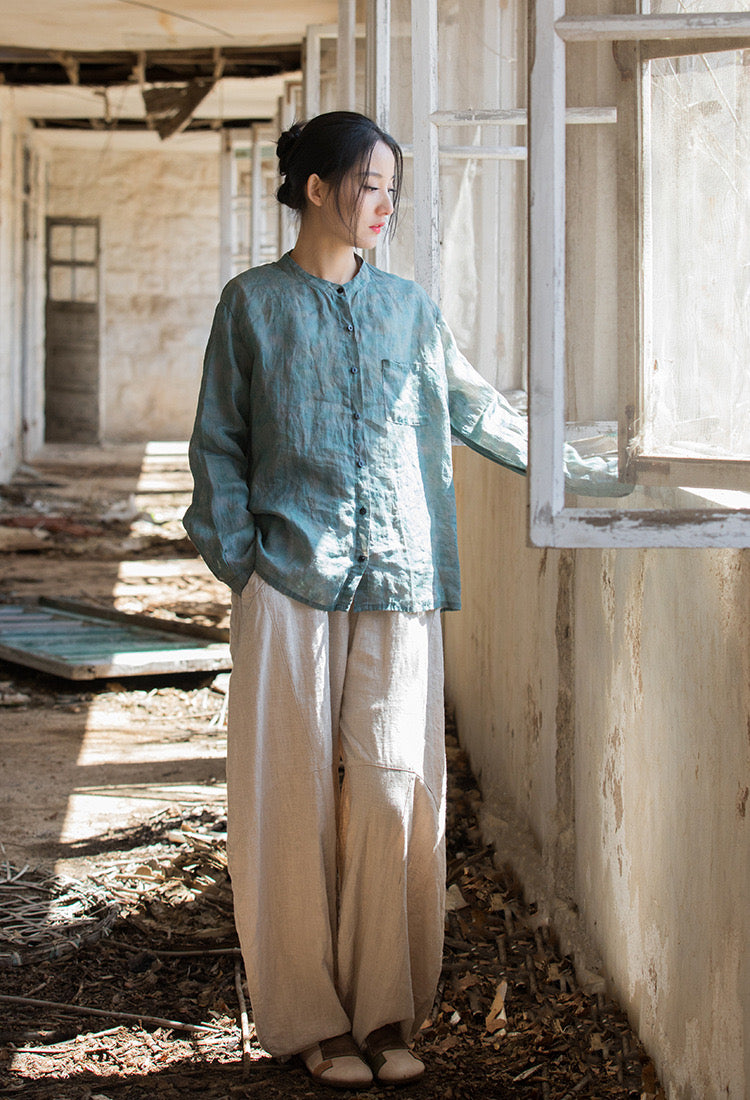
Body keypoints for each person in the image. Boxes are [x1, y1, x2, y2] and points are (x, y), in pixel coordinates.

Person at [184, 110, 624, 1090]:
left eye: (392, 187)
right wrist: (241, 561)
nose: (385, 203)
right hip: (287, 579)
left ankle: (384, 1010)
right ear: (316, 189)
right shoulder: (251, 305)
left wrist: (593, 471)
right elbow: (218, 443)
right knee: (290, 800)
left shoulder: (411, 311)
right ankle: (313, 1021)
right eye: (369, 184)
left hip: (399, 576)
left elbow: (476, 409)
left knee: (392, 790)